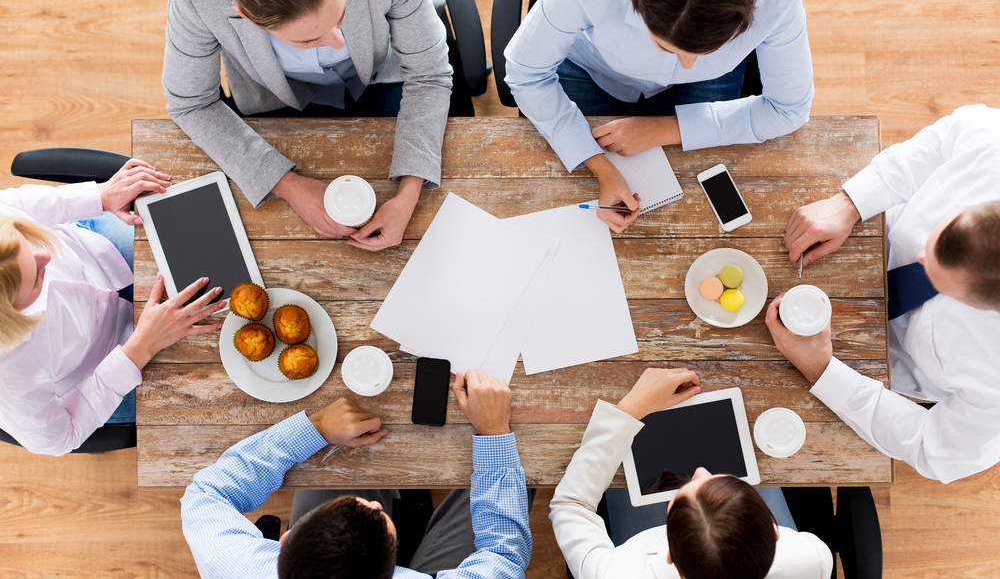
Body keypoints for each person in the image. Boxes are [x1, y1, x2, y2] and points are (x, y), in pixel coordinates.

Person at [504, 0, 813, 234]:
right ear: (635, 1)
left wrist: (665, 129)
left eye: (706, 51)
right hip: (591, 68)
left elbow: (788, 110)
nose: (687, 65)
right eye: (666, 47)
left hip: (708, 84)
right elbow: (525, 72)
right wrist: (599, 165)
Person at [163, 0, 452, 251]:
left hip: (379, 73)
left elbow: (429, 72)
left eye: (340, 16)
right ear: (246, 15)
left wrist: (409, 193)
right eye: (307, 40)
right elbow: (190, 104)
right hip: (275, 94)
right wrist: (288, 186)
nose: (337, 42)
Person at [771, 103, 1000, 483]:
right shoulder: (993, 145)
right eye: (938, 236)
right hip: (868, 241)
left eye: (939, 277)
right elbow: (942, 143)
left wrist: (823, 370)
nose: (923, 254)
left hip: (893, 370)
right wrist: (851, 202)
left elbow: (934, 448)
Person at [180, 368, 532, 578]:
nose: (371, 504)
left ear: (285, 542)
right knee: (525, 466)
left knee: (339, 454)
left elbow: (206, 494)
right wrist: (494, 434)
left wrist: (315, 429)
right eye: (376, 514)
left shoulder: (237, 567)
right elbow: (504, 556)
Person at [0, 159, 226, 456]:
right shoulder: (9, 381)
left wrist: (101, 196)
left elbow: (16, 203)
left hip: (98, 252)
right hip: (108, 362)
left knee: (214, 242)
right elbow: (59, 438)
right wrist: (141, 347)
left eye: (28, 240)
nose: (47, 257)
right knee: (214, 392)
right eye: (36, 278)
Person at [551, 367, 832, 579]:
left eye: (677, 498)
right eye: (717, 479)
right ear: (776, 535)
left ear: (670, 554)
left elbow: (570, 505)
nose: (700, 470)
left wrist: (633, 407)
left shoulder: (619, 572)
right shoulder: (813, 557)